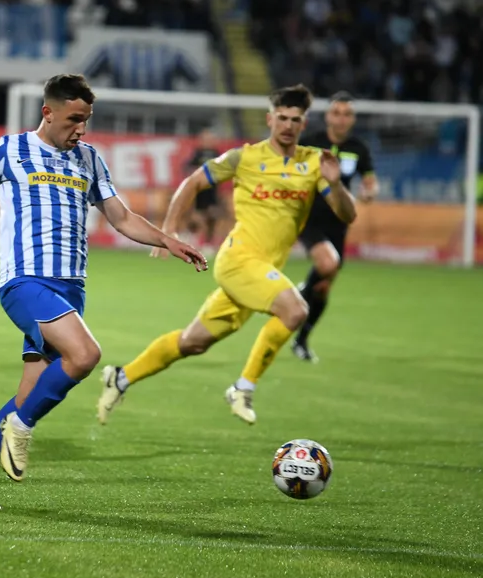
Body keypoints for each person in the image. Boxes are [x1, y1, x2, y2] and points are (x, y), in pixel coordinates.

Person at [0, 74, 208, 510]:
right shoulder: (11, 150)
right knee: (85, 355)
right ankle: (21, 426)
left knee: (30, 392)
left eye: (86, 120)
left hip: (71, 288)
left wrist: (168, 240)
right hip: (26, 282)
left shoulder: (89, 159)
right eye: (74, 119)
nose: (81, 129)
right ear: (47, 112)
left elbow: (122, 217)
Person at [98, 84, 356, 427]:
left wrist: (335, 185)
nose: (288, 125)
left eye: (295, 120)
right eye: (282, 118)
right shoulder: (244, 157)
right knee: (295, 310)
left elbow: (347, 214)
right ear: (270, 119)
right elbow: (192, 182)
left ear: (303, 124)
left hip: (260, 273)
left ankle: (121, 377)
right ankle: (242, 388)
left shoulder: (314, 163)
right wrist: (170, 229)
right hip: (238, 261)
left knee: (192, 342)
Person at [293, 92, 377, 363]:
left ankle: (301, 340)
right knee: (327, 264)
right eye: (337, 113)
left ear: (353, 119)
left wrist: (369, 192)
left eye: (347, 114)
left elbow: (370, 181)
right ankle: (294, 295)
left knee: (323, 287)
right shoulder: (311, 142)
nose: (341, 119)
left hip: (338, 222)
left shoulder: (359, 148)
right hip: (309, 217)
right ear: (328, 116)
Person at [185, 129, 225, 249]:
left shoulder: (217, 154)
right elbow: (188, 167)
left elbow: (223, 170)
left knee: (213, 216)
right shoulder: (197, 153)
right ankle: (199, 241)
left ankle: (209, 242)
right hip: (200, 190)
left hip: (212, 190)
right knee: (199, 216)